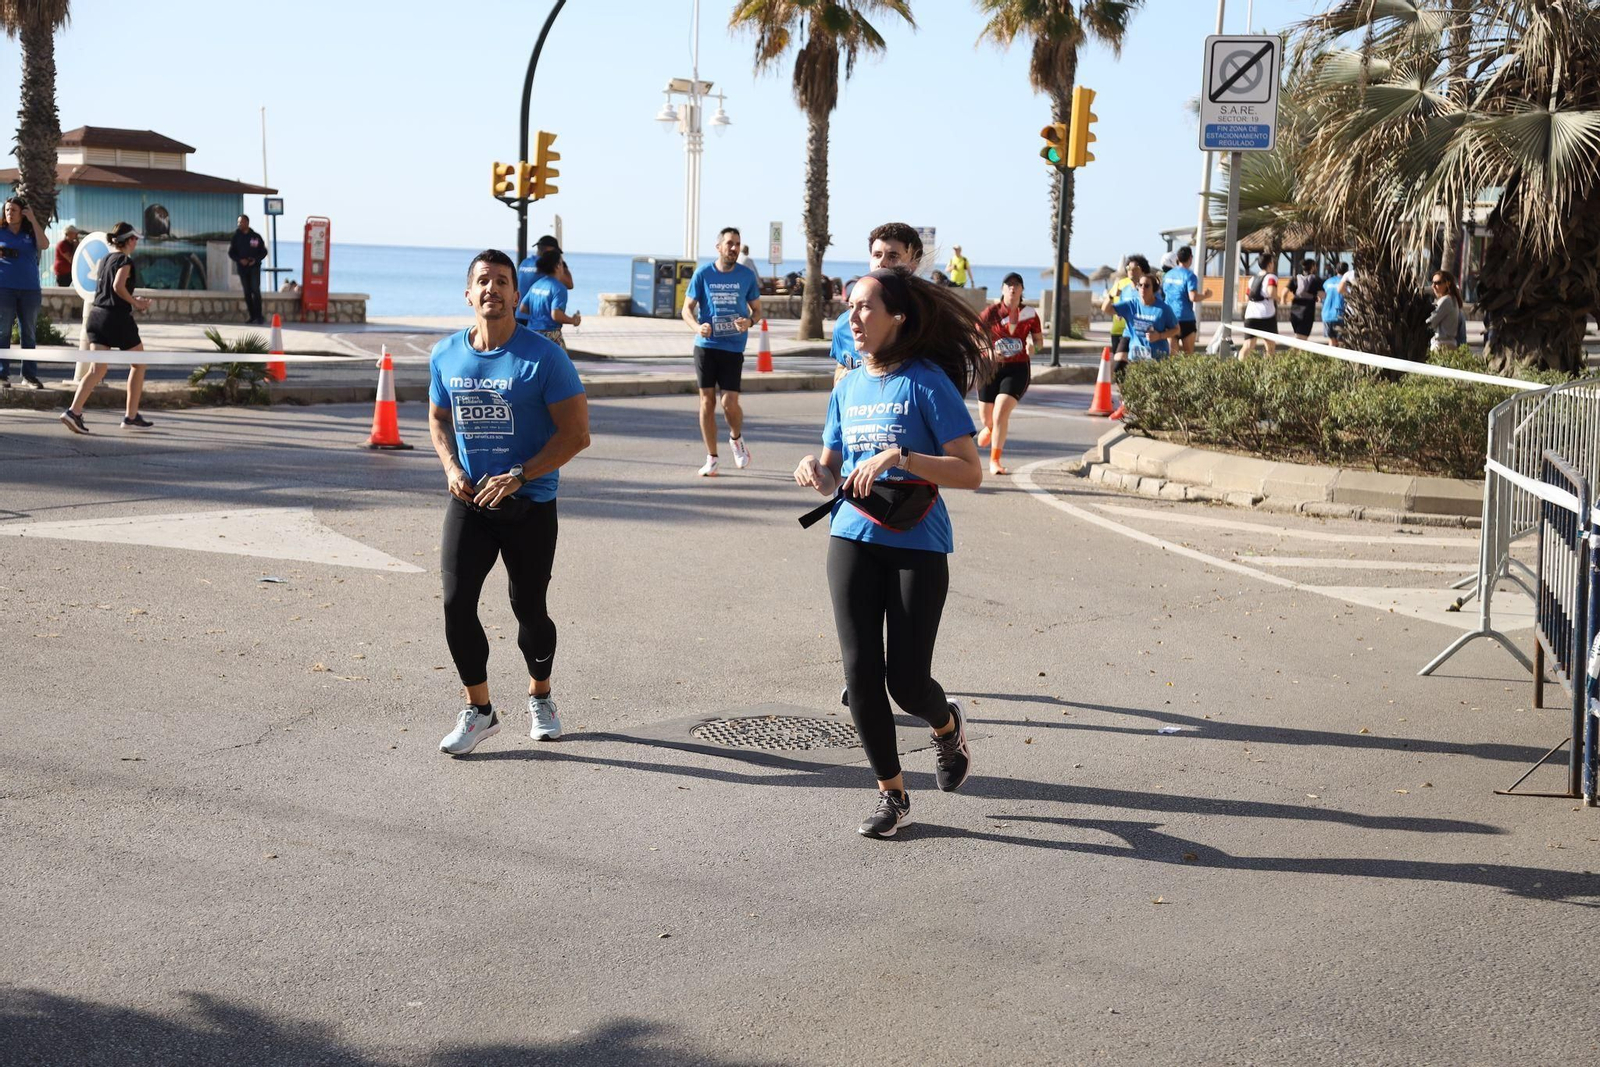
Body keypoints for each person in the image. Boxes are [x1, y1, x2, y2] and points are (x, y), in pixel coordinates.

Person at [793, 267, 986, 838]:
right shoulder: (847, 386)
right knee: (859, 671)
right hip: (851, 535)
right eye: (849, 307)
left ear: (897, 318)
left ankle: (946, 724)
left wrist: (901, 456)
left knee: (906, 681)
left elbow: (971, 473)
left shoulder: (926, 382)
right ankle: (892, 795)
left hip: (917, 543)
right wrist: (815, 469)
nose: (852, 317)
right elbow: (833, 469)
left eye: (865, 308)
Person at [428, 249, 590, 756]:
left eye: (502, 281)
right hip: (471, 499)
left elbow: (577, 435)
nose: (492, 289)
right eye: (483, 281)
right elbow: (437, 419)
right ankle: (479, 710)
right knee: (457, 605)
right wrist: (453, 468)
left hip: (530, 504)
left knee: (529, 610)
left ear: (517, 296)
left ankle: (540, 695)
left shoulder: (544, 357)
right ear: (469, 293)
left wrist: (520, 475)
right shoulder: (446, 355)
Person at [681, 226, 761, 476]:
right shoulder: (703, 274)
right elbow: (686, 309)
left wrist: (749, 322)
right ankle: (712, 457)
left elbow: (757, 311)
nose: (734, 248)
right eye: (729, 243)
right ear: (719, 247)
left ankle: (736, 440)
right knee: (707, 401)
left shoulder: (746, 276)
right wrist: (697, 327)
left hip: (733, 346)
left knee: (729, 402)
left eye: (737, 243)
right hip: (706, 346)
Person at [60, 222, 153, 433]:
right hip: (116, 318)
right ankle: (131, 416)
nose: (137, 241)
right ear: (129, 241)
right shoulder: (125, 260)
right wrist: (136, 303)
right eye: (135, 238)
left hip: (96, 316)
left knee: (97, 369)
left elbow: (111, 289)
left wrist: (129, 298)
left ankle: (73, 412)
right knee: (140, 364)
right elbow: (117, 286)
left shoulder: (106, 259)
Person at [831, 222, 924, 383]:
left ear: (914, 261)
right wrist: (842, 381)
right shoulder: (845, 323)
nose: (882, 262)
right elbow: (842, 368)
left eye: (893, 256)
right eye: (877, 255)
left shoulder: (927, 320)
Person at [976, 272, 1040, 475]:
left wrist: (1033, 348)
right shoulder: (991, 312)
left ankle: (995, 461)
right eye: (1009, 285)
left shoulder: (1030, 313)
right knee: (988, 419)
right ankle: (991, 428)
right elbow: (975, 339)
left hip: (1018, 368)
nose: (1012, 288)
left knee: (1000, 412)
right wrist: (988, 351)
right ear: (1003, 289)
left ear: (1021, 290)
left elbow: (1038, 341)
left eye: (1017, 285)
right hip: (991, 368)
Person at [0, 196, 46, 390]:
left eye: (14, 210)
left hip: (30, 290)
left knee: (29, 333)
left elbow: (44, 245)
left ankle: (29, 376)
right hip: (4, 289)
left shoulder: (30, 231)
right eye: (7, 210)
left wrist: (33, 219)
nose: (10, 213)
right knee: (3, 332)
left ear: (22, 213)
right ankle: (2, 375)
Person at [1100, 272, 1180, 364]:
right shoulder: (1131, 305)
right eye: (1140, 285)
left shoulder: (1163, 309)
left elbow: (1176, 329)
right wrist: (1111, 295)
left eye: (1146, 286)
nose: (1143, 288)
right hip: (1135, 358)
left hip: (1157, 359)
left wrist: (1159, 336)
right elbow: (1106, 309)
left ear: (1154, 289)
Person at [516, 245, 581, 349]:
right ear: (557, 266)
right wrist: (573, 320)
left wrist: (540, 314)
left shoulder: (536, 284)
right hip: (550, 334)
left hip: (531, 332)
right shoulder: (559, 288)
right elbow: (556, 315)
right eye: (561, 263)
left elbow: (523, 307)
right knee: (561, 364)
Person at [1161, 246, 1211, 355]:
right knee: (1188, 356)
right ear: (1190, 258)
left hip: (1170, 317)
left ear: (1177, 259)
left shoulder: (1167, 275)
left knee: (1172, 357)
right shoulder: (1190, 275)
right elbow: (1193, 297)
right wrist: (1206, 296)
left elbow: (1164, 294)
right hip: (1186, 318)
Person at [1106, 256, 1147, 374]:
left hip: (1142, 334)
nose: (1131, 270)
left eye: (1135, 268)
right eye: (1128, 267)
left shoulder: (1147, 288)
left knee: (1139, 369)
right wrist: (1119, 312)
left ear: (1142, 270)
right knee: (1119, 367)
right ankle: (1124, 391)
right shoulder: (1124, 288)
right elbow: (1117, 307)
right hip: (1126, 332)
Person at [228, 215, 268, 325]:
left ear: (247, 222)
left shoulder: (255, 237)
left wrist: (255, 260)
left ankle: (259, 316)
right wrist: (240, 260)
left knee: (255, 290)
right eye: (238, 222)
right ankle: (252, 316)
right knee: (247, 292)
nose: (239, 224)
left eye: (241, 222)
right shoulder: (236, 237)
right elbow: (231, 253)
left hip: (254, 268)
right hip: (242, 269)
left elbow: (263, 252)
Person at [1238, 253, 1280, 357]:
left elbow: (1246, 297)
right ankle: (1269, 369)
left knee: (1248, 345)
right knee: (1270, 346)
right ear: (1270, 264)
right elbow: (1271, 292)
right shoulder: (1271, 277)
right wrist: (1278, 298)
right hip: (1266, 315)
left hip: (1250, 315)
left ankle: (1238, 367)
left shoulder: (1252, 279)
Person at [517, 235, 574, 312]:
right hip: (537, 317)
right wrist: (562, 264)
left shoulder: (524, 263)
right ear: (549, 250)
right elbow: (569, 284)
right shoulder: (547, 265)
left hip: (520, 313)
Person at [1428, 269, 1464, 351]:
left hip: (1441, 345)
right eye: (1432, 282)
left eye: (1438, 283)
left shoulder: (1446, 300)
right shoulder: (1453, 299)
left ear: (1447, 284)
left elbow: (1432, 322)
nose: (1433, 286)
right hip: (1449, 344)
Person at [1287, 258, 1322, 341]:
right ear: (1313, 267)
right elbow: (1322, 295)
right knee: (1302, 339)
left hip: (1294, 311)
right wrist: (1316, 297)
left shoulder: (1295, 279)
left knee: (1298, 336)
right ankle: (1296, 353)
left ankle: (1296, 353)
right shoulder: (1316, 279)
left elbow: (1284, 292)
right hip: (1307, 312)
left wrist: (1283, 301)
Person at [1320, 262, 1348, 345]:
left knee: (1331, 340)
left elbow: (1322, 297)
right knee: (1342, 342)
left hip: (1327, 314)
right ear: (1347, 271)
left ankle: (1331, 357)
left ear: (1336, 270)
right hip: (1340, 314)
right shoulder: (1346, 282)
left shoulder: (1327, 282)